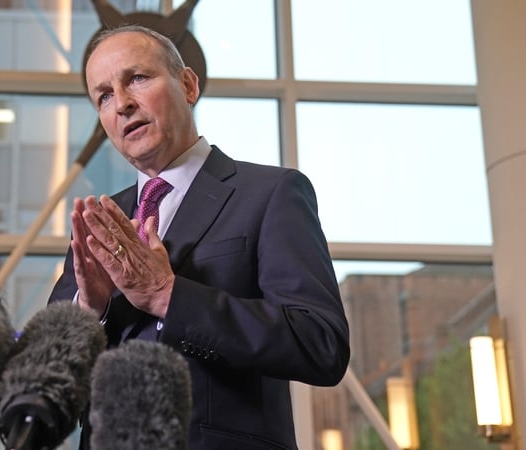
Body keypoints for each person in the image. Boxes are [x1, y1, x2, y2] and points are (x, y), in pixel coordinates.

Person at [48, 24, 350, 450]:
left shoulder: (271, 194)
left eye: (137, 78)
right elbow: (50, 377)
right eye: (104, 95)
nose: (123, 104)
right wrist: (90, 309)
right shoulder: (100, 222)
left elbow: (320, 344)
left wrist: (167, 296)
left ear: (187, 84)